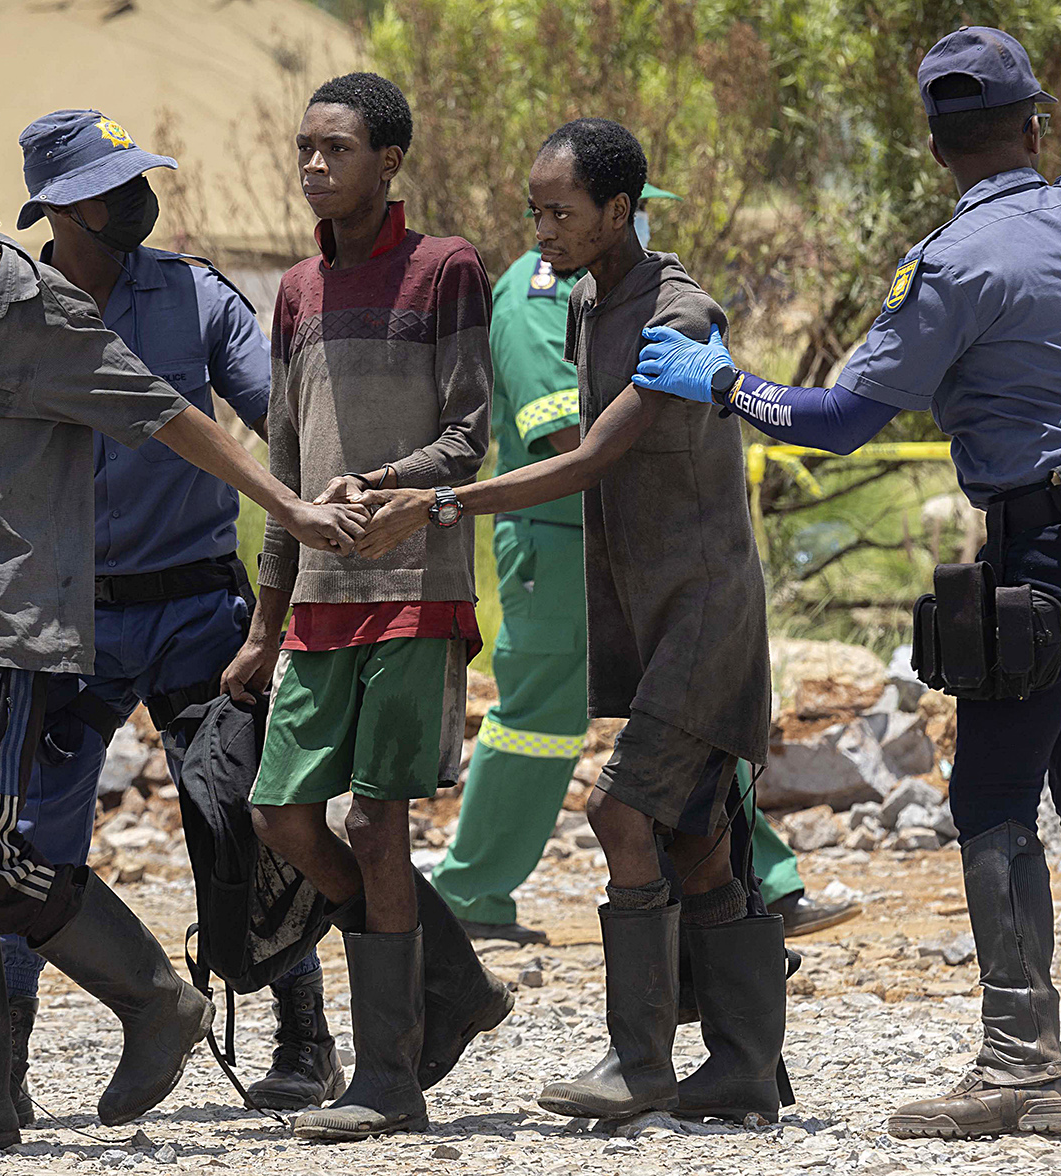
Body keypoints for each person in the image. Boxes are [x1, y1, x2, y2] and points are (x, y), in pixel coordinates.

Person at [632, 27, 1061, 1140]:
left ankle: (1023, 1066)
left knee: (992, 799)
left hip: (1048, 548)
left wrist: (722, 382)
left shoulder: (951, 266)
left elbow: (841, 421)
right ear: (1035, 126)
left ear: (936, 147)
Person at [0, 108, 364, 1159]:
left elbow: (167, 412)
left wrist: (288, 513)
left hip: (11, 626)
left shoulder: (32, 307)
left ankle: (164, 1002)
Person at [357, 118, 790, 1127]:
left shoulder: (679, 312)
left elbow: (594, 456)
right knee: (694, 833)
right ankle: (743, 1067)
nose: (543, 230)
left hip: (707, 604)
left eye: (562, 212)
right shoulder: (586, 299)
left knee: (618, 808)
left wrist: (444, 505)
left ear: (619, 210)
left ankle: (640, 1063)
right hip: (648, 610)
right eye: (534, 211)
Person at [0, 108, 341, 1121]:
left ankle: (304, 1039)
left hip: (196, 610)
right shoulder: (4, 311)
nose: (135, 196)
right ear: (55, 207)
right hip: (61, 625)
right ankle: (2, 1059)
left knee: (243, 820)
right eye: (108, 185)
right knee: (26, 842)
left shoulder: (191, 294)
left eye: (136, 176)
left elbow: (285, 426)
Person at [433, 185, 857, 944]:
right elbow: (566, 436)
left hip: (634, 539)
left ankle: (764, 884)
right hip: (558, 541)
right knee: (539, 722)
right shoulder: (539, 291)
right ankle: (471, 892)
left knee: (688, 716)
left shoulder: (654, 295)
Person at [220, 72, 513, 1142]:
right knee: (282, 816)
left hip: (417, 585)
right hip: (319, 599)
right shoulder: (295, 290)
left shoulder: (447, 271)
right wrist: (265, 616)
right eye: (304, 148)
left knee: (377, 822)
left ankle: (389, 1077)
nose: (312, 167)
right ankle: (453, 985)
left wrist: (379, 488)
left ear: (388, 161)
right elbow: (285, 460)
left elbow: (468, 436)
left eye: (334, 149)